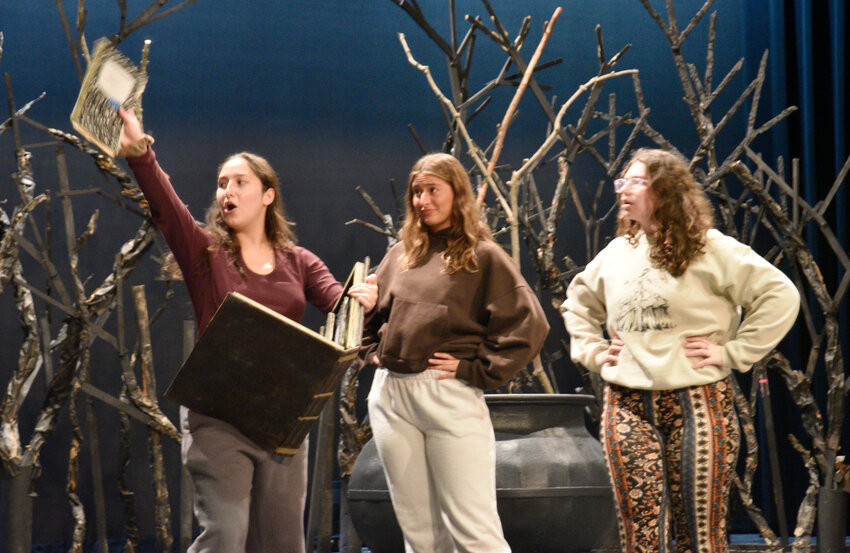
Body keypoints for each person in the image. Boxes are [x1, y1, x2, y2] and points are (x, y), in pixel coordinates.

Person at [116, 107, 371, 553]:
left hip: (281, 420)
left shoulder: (300, 260)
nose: (227, 191)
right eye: (222, 183)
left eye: (240, 182)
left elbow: (337, 299)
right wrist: (141, 153)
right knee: (226, 537)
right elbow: (168, 209)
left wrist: (363, 298)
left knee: (280, 544)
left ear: (268, 195)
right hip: (220, 416)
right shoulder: (205, 252)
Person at [562, 148, 800, 553]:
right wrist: (592, 350)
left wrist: (733, 352)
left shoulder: (711, 248)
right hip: (627, 404)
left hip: (698, 403)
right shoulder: (617, 253)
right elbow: (578, 303)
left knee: (700, 535)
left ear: (665, 190)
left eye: (637, 181)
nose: (624, 189)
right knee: (639, 536)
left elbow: (779, 294)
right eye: (623, 181)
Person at [347, 152, 549, 553]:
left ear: (458, 194)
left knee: (473, 530)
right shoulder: (403, 253)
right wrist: (370, 348)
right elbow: (375, 315)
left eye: (432, 190)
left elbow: (530, 325)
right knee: (419, 532)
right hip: (392, 396)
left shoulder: (483, 256)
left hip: (446, 392)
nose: (423, 200)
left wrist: (477, 368)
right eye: (416, 192)